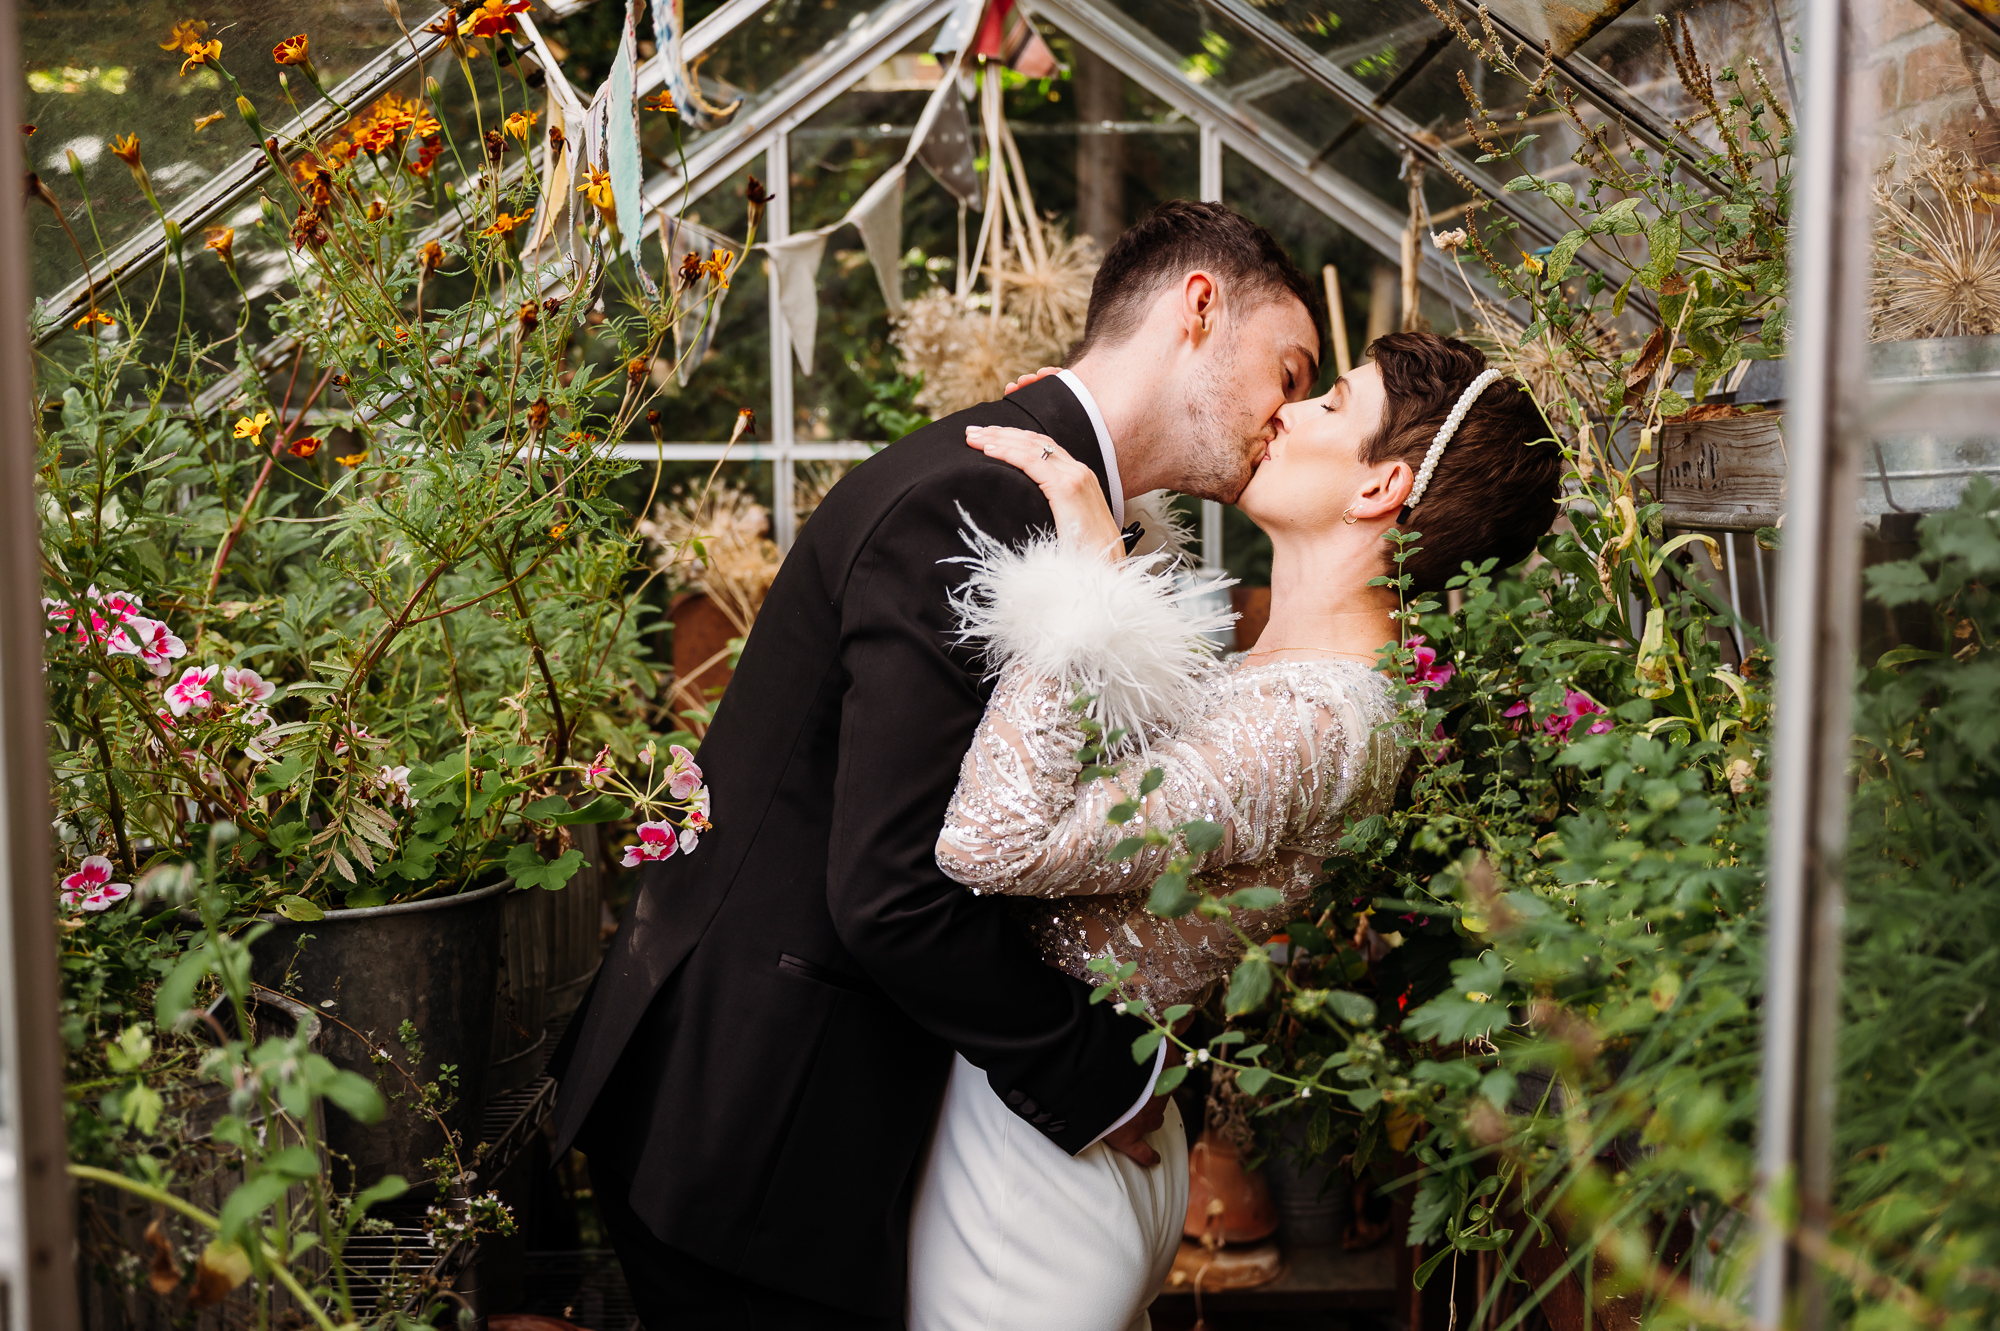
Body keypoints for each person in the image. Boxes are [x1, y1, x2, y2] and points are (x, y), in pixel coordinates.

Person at [544, 200, 1327, 1330]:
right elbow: (891, 886)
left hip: (796, 1121)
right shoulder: (977, 499)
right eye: (1288, 370)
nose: (1284, 415)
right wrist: (1094, 1076)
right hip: (757, 1132)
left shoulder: (1059, 508)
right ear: (1197, 309)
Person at [904, 330, 1562, 1331]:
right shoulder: (1298, 678)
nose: (1290, 412)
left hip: (1043, 1175)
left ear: (1379, 488)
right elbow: (1142, 755)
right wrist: (1112, 485)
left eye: (1330, 403)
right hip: (1062, 1123)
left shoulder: (1316, 719)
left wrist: (1083, 579)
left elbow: (992, 841)